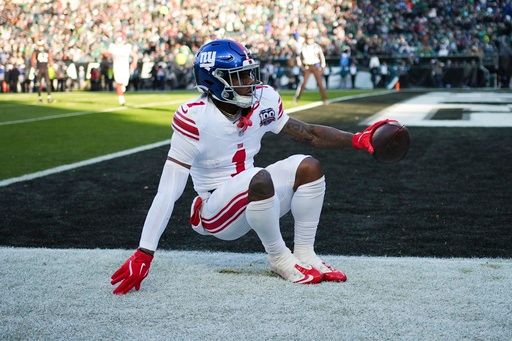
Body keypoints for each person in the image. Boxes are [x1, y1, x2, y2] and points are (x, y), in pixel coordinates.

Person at [110, 39, 392, 295]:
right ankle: (280, 258)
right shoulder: (195, 118)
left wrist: (356, 139)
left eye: (248, 73)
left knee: (309, 167)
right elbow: (168, 190)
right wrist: (144, 251)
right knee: (259, 177)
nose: (249, 81)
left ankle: (305, 254)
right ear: (215, 81)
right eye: (240, 76)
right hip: (214, 211)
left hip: (257, 198)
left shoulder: (264, 99)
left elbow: (308, 134)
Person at [293, 33, 328, 105]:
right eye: (308, 38)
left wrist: (322, 66)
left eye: (310, 38)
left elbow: (322, 57)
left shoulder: (316, 47)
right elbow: (299, 57)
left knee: (320, 83)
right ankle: (297, 98)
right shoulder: (303, 47)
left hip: (315, 66)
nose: (309, 40)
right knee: (303, 84)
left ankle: (325, 99)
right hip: (307, 67)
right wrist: (301, 66)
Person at [105, 35, 138, 105]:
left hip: (125, 68)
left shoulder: (127, 47)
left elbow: (135, 56)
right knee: (119, 83)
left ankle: (121, 91)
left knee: (124, 84)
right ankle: (121, 99)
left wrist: (134, 63)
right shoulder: (113, 47)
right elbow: (107, 55)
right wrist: (104, 53)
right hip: (117, 67)